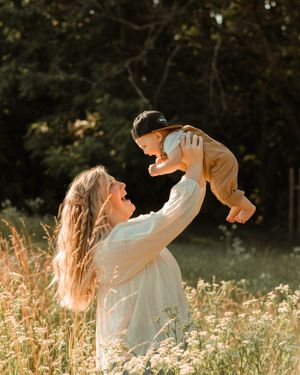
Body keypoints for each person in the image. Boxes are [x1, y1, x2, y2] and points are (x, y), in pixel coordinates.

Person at [52, 132, 206, 371]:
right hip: (139, 362)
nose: (122, 185)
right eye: (111, 185)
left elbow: (173, 213)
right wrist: (195, 164)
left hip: (151, 358)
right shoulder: (115, 245)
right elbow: (173, 216)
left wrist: (195, 167)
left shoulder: (125, 235)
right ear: (99, 204)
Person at [132, 110, 256, 224]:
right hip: (217, 162)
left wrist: (157, 170)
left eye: (144, 146)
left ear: (158, 136)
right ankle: (236, 204)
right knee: (220, 190)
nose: (145, 152)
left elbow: (174, 163)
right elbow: (178, 161)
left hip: (218, 162)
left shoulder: (169, 140)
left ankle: (249, 208)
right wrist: (164, 161)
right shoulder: (174, 138)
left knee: (223, 192)